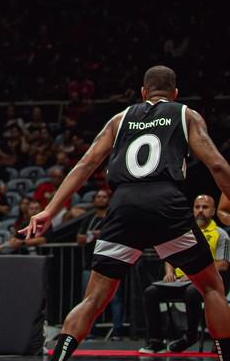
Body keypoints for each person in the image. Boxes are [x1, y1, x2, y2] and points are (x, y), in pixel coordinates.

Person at [24, 66, 230, 361]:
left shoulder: (119, 120)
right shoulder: (185, 114)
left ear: (143, 92)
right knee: (211, 287)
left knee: (94, 298)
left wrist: (49, 210)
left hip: (124, 203)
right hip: (165, 201)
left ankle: (58, 358)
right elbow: (219, 166)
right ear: (175, 93)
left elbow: (84, 165)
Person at [141, 195, 230, 353]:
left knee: (193, 292)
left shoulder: (221, 234)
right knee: (151, 292)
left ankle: (191, 335)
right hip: (179, 281)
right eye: (197, 207)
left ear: (214, 210)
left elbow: (223, 264)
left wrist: (196, 274)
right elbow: (170, 256)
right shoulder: (184, 232)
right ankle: (156, 341)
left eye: (205, 207)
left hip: (204, 282)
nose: (200, 211)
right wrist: (169, 272)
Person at [75, 189, 124, 339]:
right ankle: (90, 331)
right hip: (89, 265)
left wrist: (101, 234)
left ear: (108, 200)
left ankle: (117, 331)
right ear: (94, 200)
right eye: (98, 196)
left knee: (115, 299)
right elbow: (79, 239)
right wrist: (90, 236)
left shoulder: (113, 218)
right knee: (89, 299)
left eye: (104, 197)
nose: (101, 199)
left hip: (111, 263)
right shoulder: (88, 219)